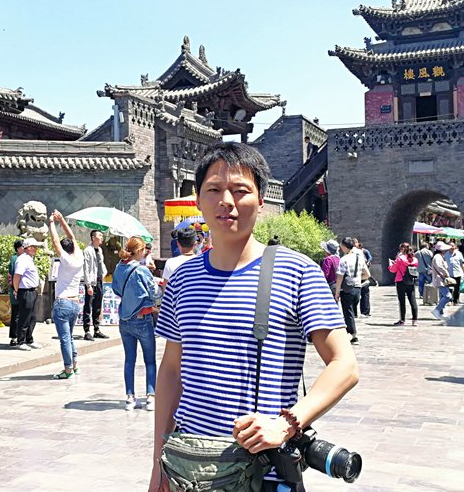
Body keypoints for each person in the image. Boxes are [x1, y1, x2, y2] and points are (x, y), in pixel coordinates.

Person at [151, 142, 357, 492]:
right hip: (188, 469)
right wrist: (159, 464)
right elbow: (172, 370)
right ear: (198, 200)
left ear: (261, 200)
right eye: (213, 189)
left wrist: (285, 424)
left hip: (263, 473)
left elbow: (345, 365)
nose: (226, 201)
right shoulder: (183, 278)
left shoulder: (297, 272)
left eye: (240, 190)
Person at [113, 237, 159, 411]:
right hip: (142, 319)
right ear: (139, 251)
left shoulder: (119, 267)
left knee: (129, 360)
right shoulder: (142, 270)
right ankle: (150, 396)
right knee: (150, 360)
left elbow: (116, 290)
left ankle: (130, 397)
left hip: (125, 319)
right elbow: (155, 294)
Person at [48, 210, 84, 379]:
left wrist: (51, 223)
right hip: (75, 303)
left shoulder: (66, 260)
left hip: (63, 303)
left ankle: (68, 369)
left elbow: (56, 241)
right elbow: (72, 237)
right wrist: (61, 220)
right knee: (69, 337)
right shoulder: (79, 257)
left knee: (64, 338)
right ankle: (74, 364)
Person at [12, 237, 43, 351]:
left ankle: (29, 339)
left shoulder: (29, 259)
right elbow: (17, 276)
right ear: (29, 247)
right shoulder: (22, 260)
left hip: (32, 291)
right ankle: (20, 340)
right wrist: (16, 290)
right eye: (34, 247)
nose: (36, 249)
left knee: (32, 317)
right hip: (25, 291)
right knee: (24, 317)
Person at [334, 236, 365, 344]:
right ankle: (348, 331)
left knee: (348, 313)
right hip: (357, 288)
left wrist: (337, 291)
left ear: (344, 246)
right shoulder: (359, 258)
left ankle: (354, 335)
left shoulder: (344, 259)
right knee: (352, 312)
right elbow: (367, 274)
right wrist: (357, 278)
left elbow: (340, 276)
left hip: (347, 289)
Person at [82, 230, 108, 341]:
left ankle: (96, 329)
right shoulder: (87, 250)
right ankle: (87, 331)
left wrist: (104, 273)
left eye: (102, 235)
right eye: (99, 235)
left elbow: (101, 264)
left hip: (99, 281)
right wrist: (88, 285)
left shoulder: (100, 250)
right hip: (91, 282)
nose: (101, 237)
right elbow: (86, 268)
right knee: (88, 306)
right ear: (93, 238)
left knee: (98, 306)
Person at [388, 242, 419, 326]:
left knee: (402, 301)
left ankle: (402, 320)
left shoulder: (400, 258)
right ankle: (415, 320)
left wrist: (390, 264)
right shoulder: (414, 259)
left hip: (401, 281)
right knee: (413, 301)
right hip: (411, 281)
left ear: (402, 249)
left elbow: (393, 270)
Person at [430, 241, 453, 320]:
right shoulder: (438, 257)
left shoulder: (439, 256)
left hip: (441, 279)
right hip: (439, 279)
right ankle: (437, 310)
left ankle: (441, 313)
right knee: (448, 296)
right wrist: (446, 273)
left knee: (442, 296)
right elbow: (439, 267)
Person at [7, 238, 24, 347]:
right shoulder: (15, 259)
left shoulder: (23, 258)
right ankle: (14, 337)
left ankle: (20, 336)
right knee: (16, 315)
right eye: (23, 246)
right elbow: (12, 276)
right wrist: (15, 289)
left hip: (20, 290)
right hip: (16, 290)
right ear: (18, 248)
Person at [356, 240, 372, 316]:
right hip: (360, 275)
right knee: (362, 294)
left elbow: (370, 258)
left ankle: (365, 311)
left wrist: (367, 263)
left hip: (362, 275)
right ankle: (363, 312)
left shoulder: (365, 251)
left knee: (364, 293)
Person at [448, 241, 464, 305]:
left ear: (455, 246)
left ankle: (455, 301)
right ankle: (450, 300)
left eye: (452, 246)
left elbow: (462, 264)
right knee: (449, 288)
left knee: (457, 288)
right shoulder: (446, 254)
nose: (451, 247)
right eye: (450, 246)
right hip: (449, 274)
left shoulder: (459, 254)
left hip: (457, 273)